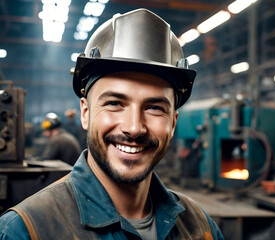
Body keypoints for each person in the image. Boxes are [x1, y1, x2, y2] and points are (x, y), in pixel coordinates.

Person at [0, 8, 224, 240]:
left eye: (154, 108)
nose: (134, 127)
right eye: (115, 103)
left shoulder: (201, 227)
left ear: (173, 123)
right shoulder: (25, 231)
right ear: (85, 113)